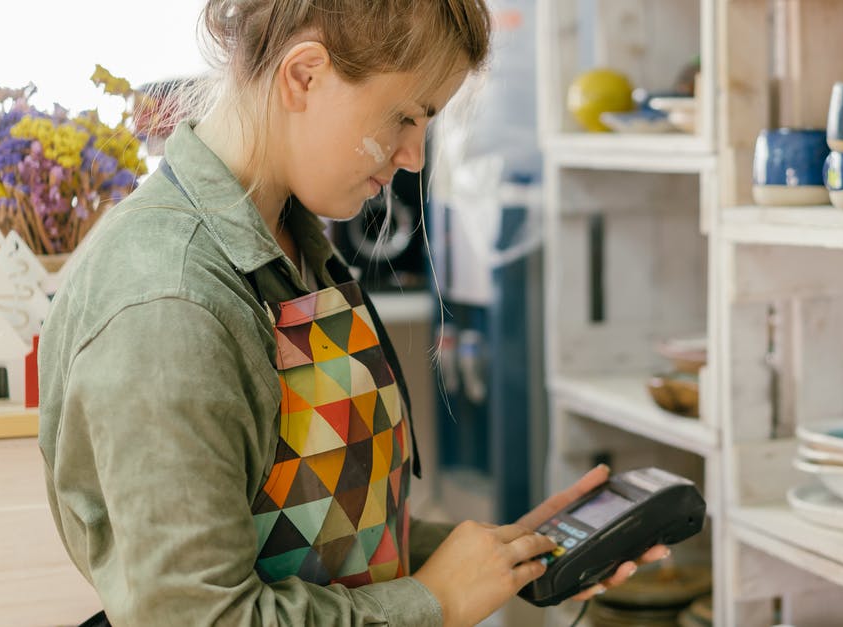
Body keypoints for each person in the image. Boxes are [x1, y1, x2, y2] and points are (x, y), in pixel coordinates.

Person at [38, 1, 667, 625]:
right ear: (303, 75)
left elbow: (312, 536)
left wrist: (499, 560)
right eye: (404, 117)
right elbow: (201, 617)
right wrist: (436, 601)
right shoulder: (167, 305)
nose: (415, 156)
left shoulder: (294, 245)